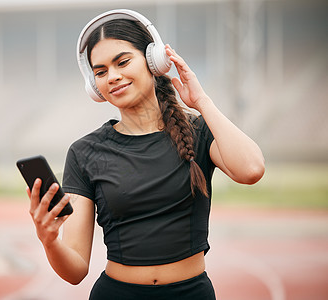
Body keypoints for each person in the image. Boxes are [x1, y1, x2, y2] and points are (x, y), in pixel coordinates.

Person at [26, 9, 265, 300]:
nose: (112, 76)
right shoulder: (84, 152)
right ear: (94, 85)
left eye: (123, 62)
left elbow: (251, 169)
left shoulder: (198, 131)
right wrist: (48, 239)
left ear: (153, 61)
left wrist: (202, 102)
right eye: (100, 72)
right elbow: (75, 271)